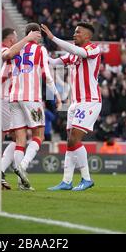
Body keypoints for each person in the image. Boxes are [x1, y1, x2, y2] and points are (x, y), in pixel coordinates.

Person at [42, 22, 102, 191]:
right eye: (74, 32)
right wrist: (38, 52)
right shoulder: (73, 56)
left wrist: (53, 38)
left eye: (78, 32)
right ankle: (66, 181)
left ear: (88, 36)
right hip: (75, 103)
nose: (74, 35)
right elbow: (53, 63)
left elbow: (77, 51)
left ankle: (86, 179)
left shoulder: (93, 49)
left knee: (75, 139)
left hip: (90, 101)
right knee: (70, 142)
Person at [7, 23, 61, 190]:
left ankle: (21, 182)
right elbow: (46, 74)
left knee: (20, 139)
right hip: (31, 97)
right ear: (33, 34)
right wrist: (57, 96)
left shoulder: (17, 48)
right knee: (39, 135)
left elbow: (8, 57)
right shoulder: (40, 50)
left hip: (14, 98)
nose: (40, 37)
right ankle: (22, 165)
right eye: (38, 34)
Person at [0, 28, 42, 190]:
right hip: (4, 99)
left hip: (9, 98)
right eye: (16, 38)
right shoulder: (4, 49)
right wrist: (28, 39)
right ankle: (1, 172)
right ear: (11, 40)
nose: (19, 41)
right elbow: (8, 56)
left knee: (16, 140)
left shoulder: (16, 50)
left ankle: (4, 173)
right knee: (15, 139)